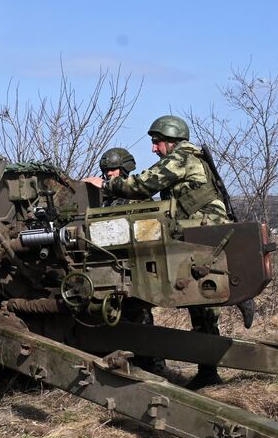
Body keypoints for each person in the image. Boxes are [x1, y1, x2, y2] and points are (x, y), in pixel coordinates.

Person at [87, 115, 230, 389]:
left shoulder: (182, 159)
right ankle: (207, 372)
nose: (154, 149)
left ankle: (208, 372)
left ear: (171, 140)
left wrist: (105, 185)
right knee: (200, 304)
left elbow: (144, 184)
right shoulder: (188, 158)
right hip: (197, 235)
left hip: (201, 236)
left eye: (157, 143)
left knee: (202, 304)